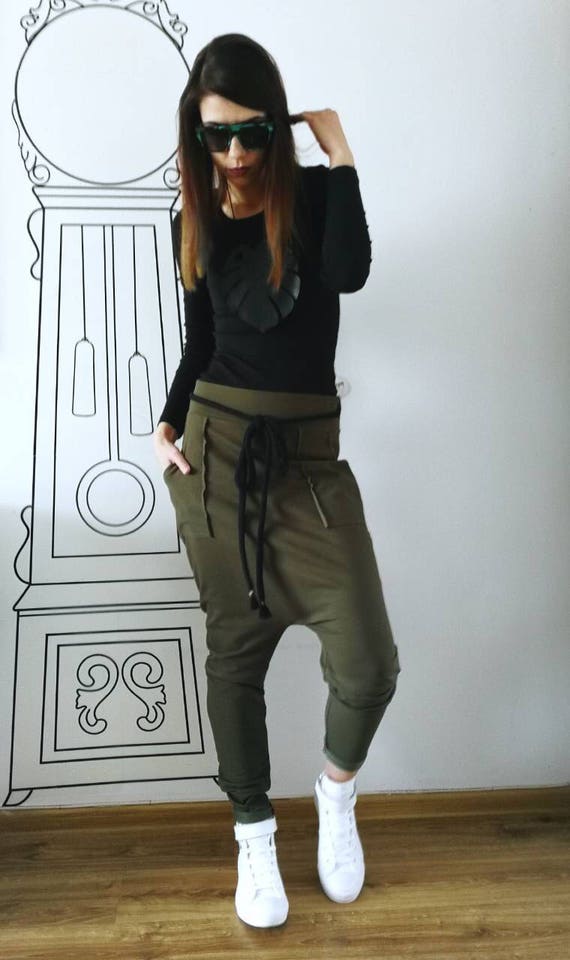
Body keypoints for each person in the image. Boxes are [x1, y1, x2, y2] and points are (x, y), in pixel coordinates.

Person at [153, 33, 402, 928]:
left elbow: (349, 273)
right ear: (197, 134)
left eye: (250, 132)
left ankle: (336, 796)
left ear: (275, 121)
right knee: (236, 656)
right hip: (215, 455)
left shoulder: (314, 199)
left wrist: (341, 157)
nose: (233, 152)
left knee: (368, 664)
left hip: (309, 463)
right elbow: (202, 344)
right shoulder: (191, 214)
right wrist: (167, 422)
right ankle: (253, 834)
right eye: (215, 135)